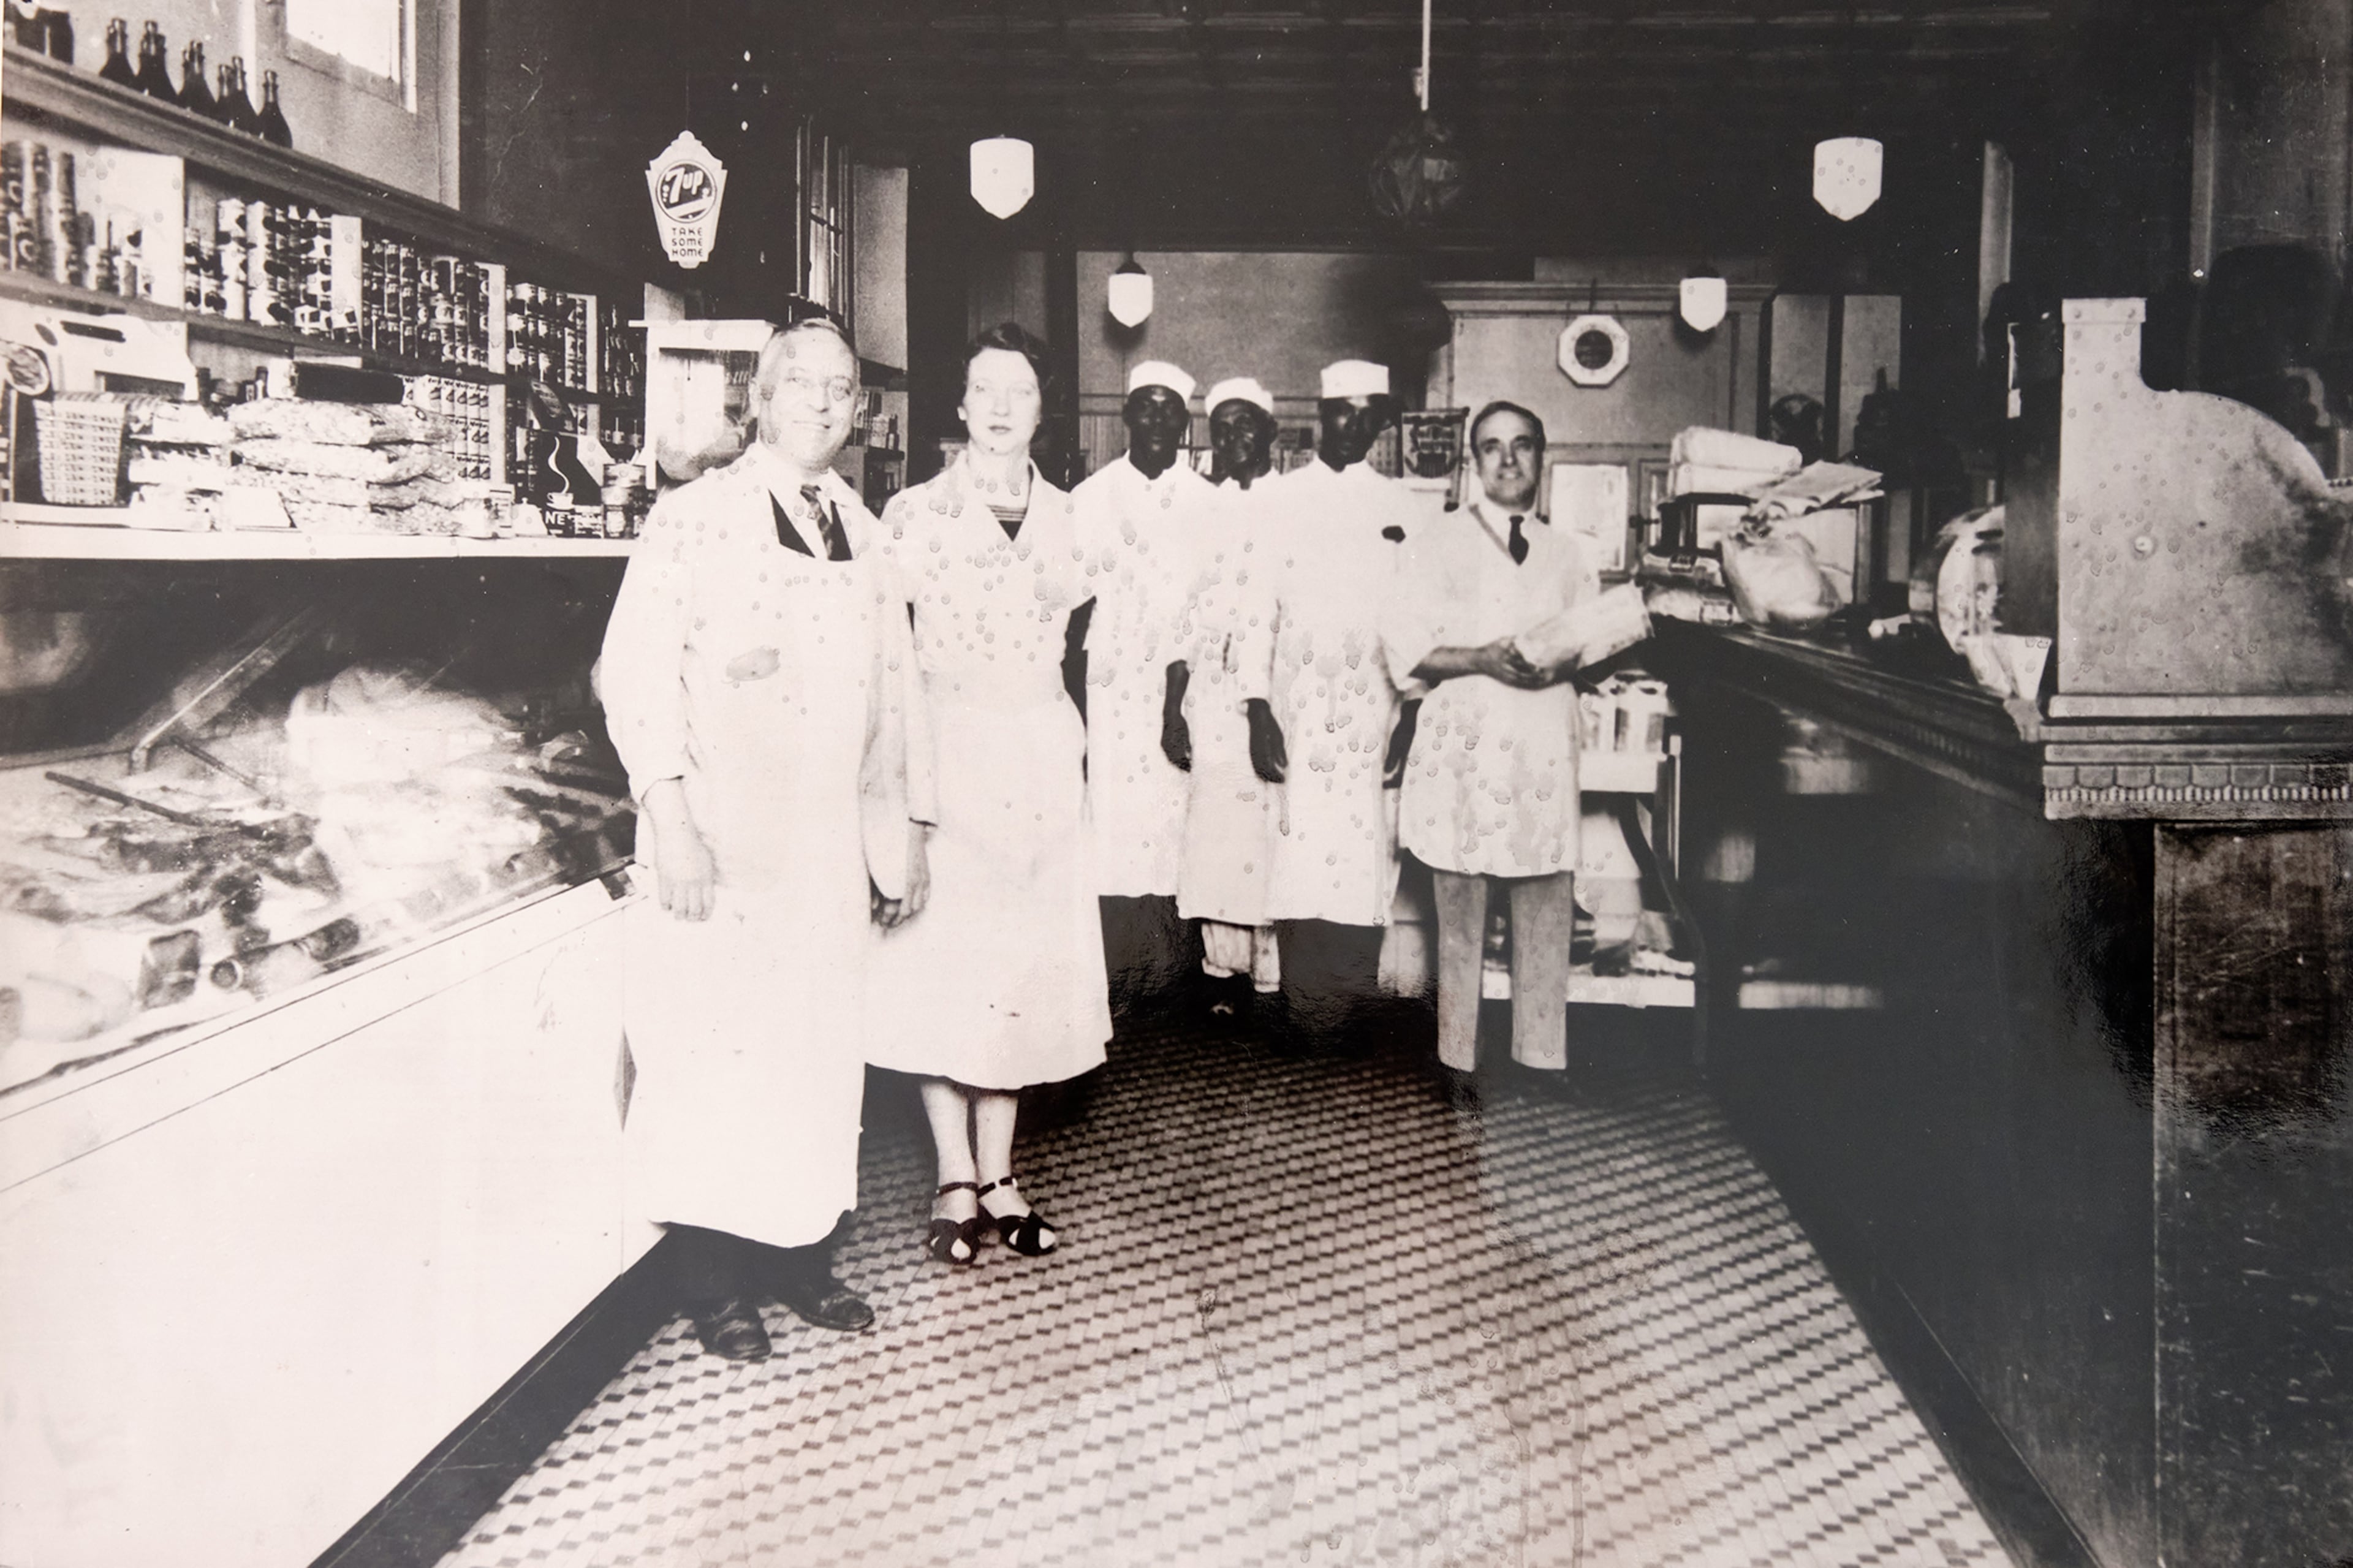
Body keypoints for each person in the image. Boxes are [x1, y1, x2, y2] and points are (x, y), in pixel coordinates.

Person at [599, 316, 932, 1363]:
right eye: (805, 386)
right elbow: (632, 674)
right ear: (763, 397)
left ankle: (800, 1258)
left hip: (826, 851)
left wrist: (900, 837)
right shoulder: (694, 519)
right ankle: (715, 1282)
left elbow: (896, 698)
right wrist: (671, 818)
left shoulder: (865, 529)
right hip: (723, 848)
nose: (826, 405)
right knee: (714, 1061)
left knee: (814, 1062)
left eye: (843, 390)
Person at [866, 322, 1112, 1265]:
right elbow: (891, 662)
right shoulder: (914, 516)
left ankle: (1002, 1170)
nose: (1002, 407)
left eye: (1021, 390)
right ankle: (952, 1174)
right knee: (945, 965)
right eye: (985, 389)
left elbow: (1088, 654)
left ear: (1042, 410)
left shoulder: (1076, 520)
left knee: (1018, 968)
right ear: (960, 405)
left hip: (1043, 763)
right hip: (948, 758)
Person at [1384, 401, 1600, 1094]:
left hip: (1541, 742)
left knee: (1545, 899)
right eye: (1492, 448)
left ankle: (1542, 1056)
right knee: (1462, 905)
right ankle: (1457, 1056)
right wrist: (1483, 656)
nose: (1508, 461)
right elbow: (1407, 649)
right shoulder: (1434, 543)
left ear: (1543, 455)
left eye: (1523, 446)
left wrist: (1574, 658)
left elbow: (1590, 644)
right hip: (1466, 742)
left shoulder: (1571, 554)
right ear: (1472, 462)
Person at [1251, 358, 1421, 1048]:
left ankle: (1348, 1009)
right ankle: (1301, 1006)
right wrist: (1258, 705)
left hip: (1372, 705)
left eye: (1365, 414)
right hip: (1297, 702)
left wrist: (1412, 709)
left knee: (1362, 853)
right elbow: (1255, 607)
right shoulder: (1279, 497)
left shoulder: (1403, 506)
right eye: (1338, 412)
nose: (1350, 425)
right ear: (1320, 417)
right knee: (1297, 850)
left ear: (1380, 422)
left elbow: (1416, 617)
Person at [1071, 361, 1217, 1007]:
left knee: (1181, 819)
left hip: (1188, 681)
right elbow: (1069, 601)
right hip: (1111, 679)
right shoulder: (1092, 496)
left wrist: (1179, 701)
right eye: (1146, 408)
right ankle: (1119, 976)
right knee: (1113, 822)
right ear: (1127, 417)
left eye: (1170, 410)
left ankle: (1176, 975)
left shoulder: (1208, 503)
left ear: (1184, 424)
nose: (1157, 420)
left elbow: (1213, 607)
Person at [1167, 376, 1284, 1006]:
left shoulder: (1293, 504)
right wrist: (1174, 706)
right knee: (1216, 830)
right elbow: (1186, 616)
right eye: (1222, 428)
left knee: (1268, 828)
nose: (1234, 438)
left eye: (1246, 425)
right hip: (1211, 692)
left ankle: (1273, 975)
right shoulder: (1204, 510)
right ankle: (1224, 971)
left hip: (1272, 691)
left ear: (1268, 431)